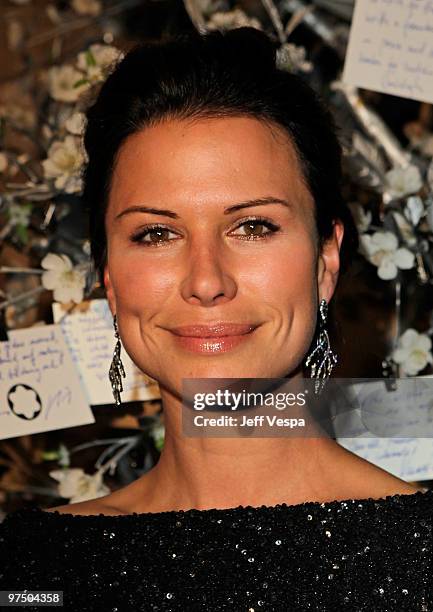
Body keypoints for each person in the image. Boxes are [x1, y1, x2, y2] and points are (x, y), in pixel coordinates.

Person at [0, 27, 431, 612]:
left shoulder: (419, 557)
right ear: (108, 277)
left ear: (325, 261)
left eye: (253, 226)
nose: (206, 281)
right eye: (156, 233)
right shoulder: (31, 570)